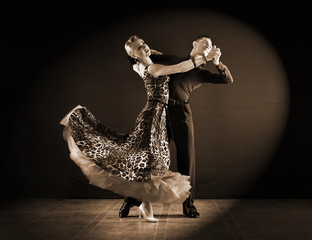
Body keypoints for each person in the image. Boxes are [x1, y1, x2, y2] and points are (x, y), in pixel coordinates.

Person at [59, 35, 216, 222]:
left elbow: (150, 55)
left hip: (161, 115)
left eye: (144, 44)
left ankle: (141, 203)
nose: (145, 47)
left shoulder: (145, 62)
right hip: (153, 116)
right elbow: (180, 67)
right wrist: (205, 58)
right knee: (148, 162)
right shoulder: (152, 68)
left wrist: (147, 52)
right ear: (134, 55)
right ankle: (140, 203)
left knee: (152, 162)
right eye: (140, 47)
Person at [119, 36, 233, 218]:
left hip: (182, 113)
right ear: (194, 44)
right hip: (161, 112)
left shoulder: (202, 73)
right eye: (204, 42)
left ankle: (189, 207)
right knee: (150, 161)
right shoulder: (173, 59)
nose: (208, 46)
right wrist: (137, 60)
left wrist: (218, 63)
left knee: (187, 161)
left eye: (210, 45)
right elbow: (144, 55)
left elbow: (227, 79)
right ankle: (132, 199)